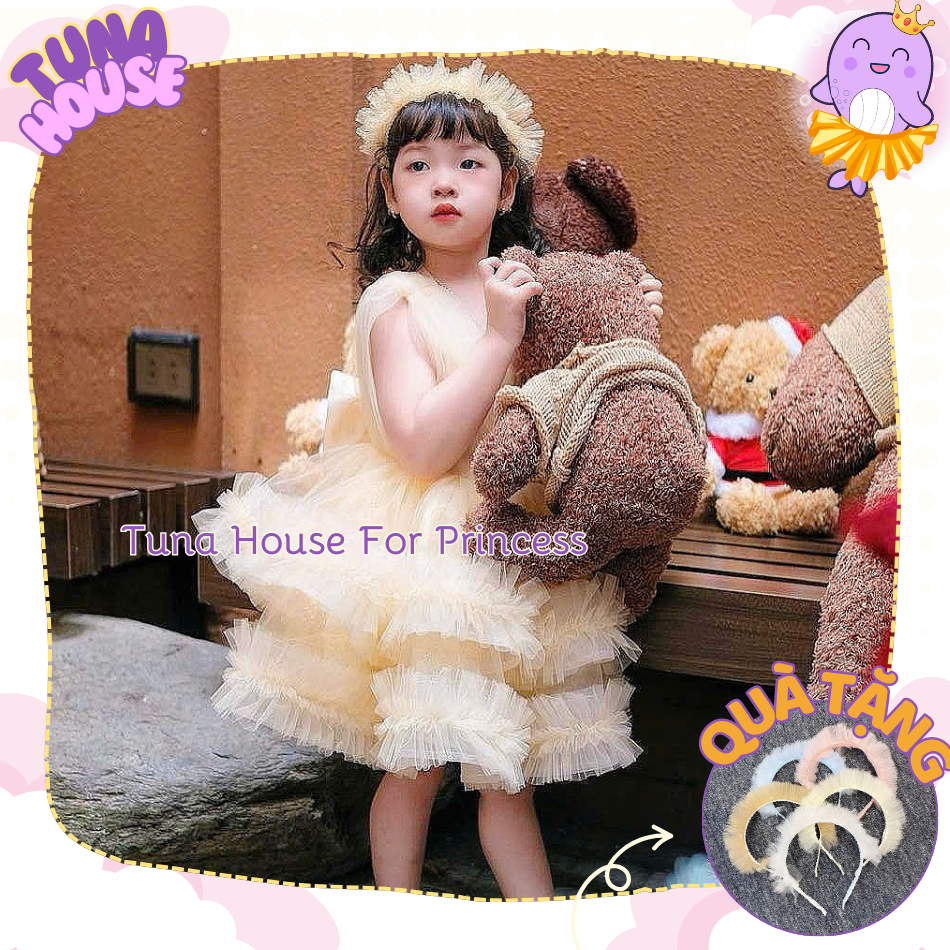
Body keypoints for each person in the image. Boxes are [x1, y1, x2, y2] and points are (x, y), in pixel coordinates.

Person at [193, 57, 652, 900]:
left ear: (506, 187)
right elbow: (421, 448)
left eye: (468, 163)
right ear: (392, 190)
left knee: (507, 772)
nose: (444, 182)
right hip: (429, 546)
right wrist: (498, 338)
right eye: (419, 165)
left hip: (514, 536)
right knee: (416, 761)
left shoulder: (525, 288)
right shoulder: (395, 304)